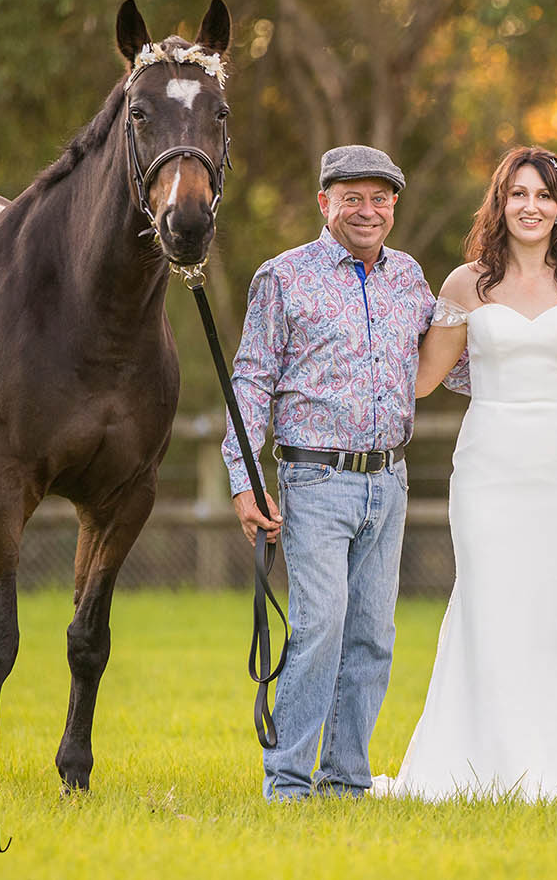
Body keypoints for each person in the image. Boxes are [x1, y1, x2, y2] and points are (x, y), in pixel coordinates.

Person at [374, 147, 557, 801]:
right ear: (499, 204)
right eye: (518, 194)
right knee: (488, 605)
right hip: (488, 469)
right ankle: (477, 762)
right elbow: (424, 379)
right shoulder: (466, 284)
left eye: (544, 195)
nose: (531, 206)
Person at [223, 144, 467, 802]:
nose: (367, 210)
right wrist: (244, 480)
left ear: (394, 206)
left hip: (389, 482)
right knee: (320, 625)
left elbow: (444, 366)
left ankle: (346, 781)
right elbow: (249, 382)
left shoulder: (409, 278)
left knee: (371, 637)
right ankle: (289, 783)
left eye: (379, 198)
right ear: (324, 203)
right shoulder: (284, 277)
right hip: (314, 482)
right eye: (351, 197)